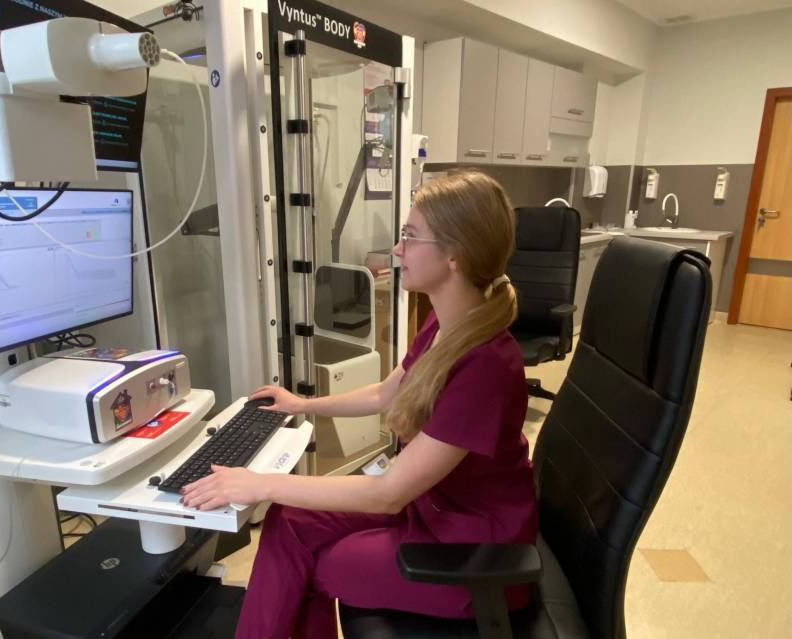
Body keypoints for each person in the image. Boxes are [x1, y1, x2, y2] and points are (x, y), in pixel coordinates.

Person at [181, 171, 538, 639]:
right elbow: (382, 394)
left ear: (456, 255)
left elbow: (388, 492)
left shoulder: (485, 364)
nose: (397, 249)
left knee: (316, 562)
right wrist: (303, 404)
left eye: (411, 236)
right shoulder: (446, 325)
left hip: (470, 554)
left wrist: (259, 484)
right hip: (431, 508)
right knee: (290, 522)